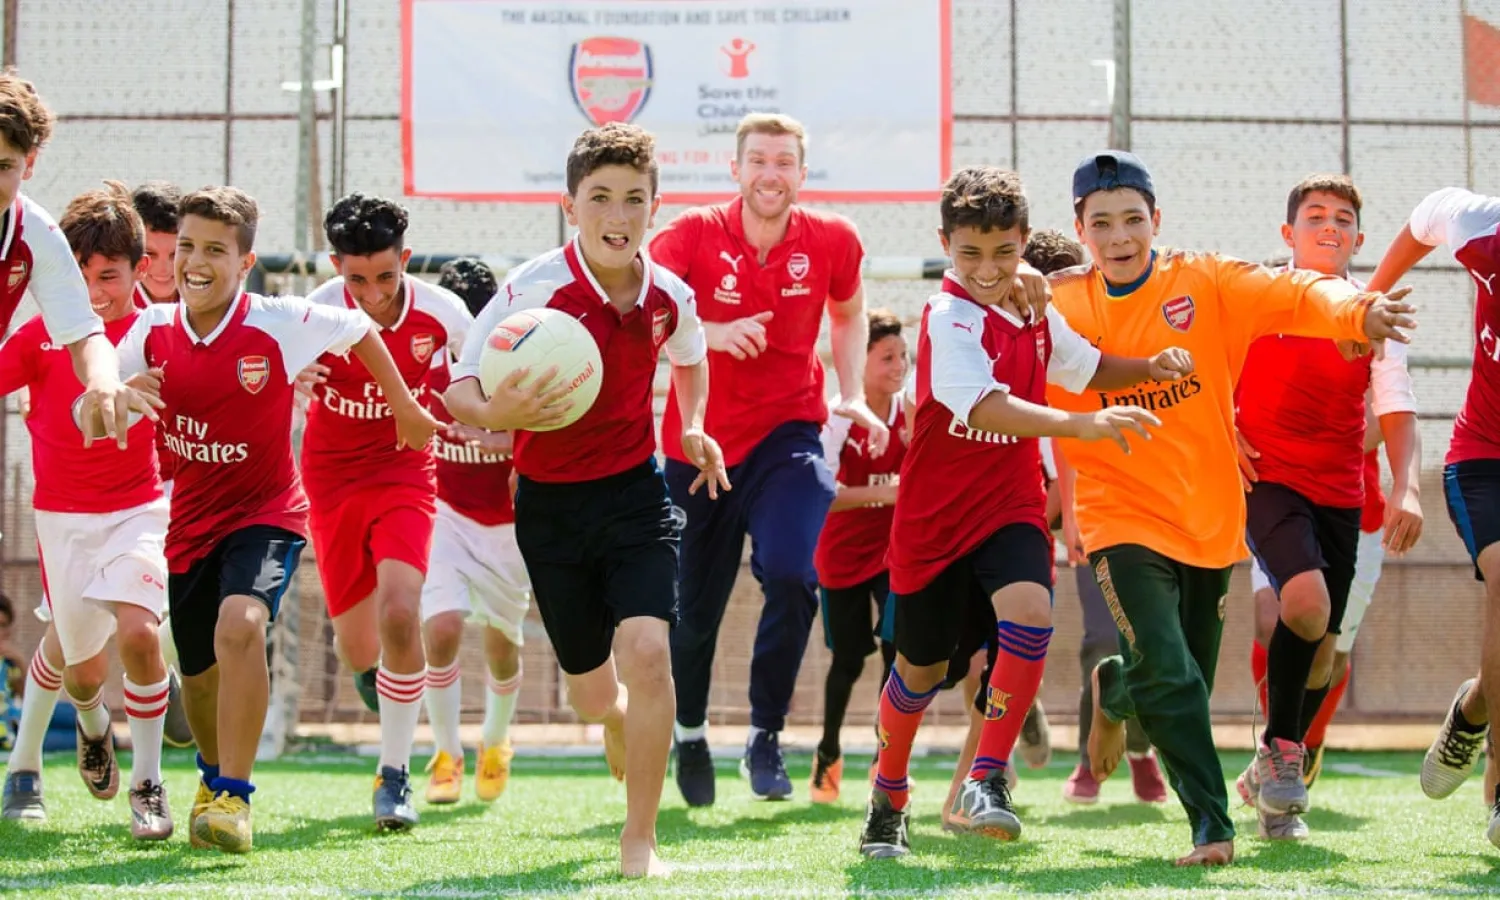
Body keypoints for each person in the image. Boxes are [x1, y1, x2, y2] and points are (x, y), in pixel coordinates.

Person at [1047, 150, 1416, 866]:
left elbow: (1302, 295)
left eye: (1132, 220)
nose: (1119, 236)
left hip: (1208, 520)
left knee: (1174, 666)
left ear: (1156, 221)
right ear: (1082, 230)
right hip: (1118, 511)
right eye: (1102, 224)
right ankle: (1212, 826)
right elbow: (999, 317)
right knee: (1174, 671)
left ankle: (1113, 692)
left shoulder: (1208, 281)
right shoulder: (1062, 302)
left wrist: (1362, 308)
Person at [78, 185, 438, 854]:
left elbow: (361, 330)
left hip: (268, 513)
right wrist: (112, 398)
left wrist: (406, 409)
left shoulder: (278, 320)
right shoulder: (154, 331)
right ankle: (213, 779)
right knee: (200, 672)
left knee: (242, 625)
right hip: (188, 524)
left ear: (244, 263)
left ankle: (236, 798)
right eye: (187, 246)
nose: (194, 261)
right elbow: (93, 403)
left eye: (215, 249)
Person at [857, 165, 1190, 859]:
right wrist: (1081, 428)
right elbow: (984, 406)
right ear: (944, 243)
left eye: (1004, 252)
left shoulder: (1036, 310)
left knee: (1033, 614)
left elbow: (1088, 366)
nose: (987, 268)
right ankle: (887, 800)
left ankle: (987, 780)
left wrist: (1150, 366)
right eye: (970, 253)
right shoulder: (945, 317)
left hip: (1008, 505)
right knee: (917, 673)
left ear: (1022, 244)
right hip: (934, 524)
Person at [444, 123, 725, 878]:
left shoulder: (669, 293)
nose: (619, 214)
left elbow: (692, 362)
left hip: (638, 495)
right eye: (600, 197)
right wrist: (503, 414)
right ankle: (614, 721)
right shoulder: (531, 289)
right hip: (549, 508)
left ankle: (640, 841)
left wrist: (693, 427)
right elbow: (460, 387)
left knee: (648, 651)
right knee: (593, 691)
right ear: (571, 207)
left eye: (635, 199)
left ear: (654, 208)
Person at [649, 113, 889, 804]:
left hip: (789, 436)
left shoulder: (833, 240)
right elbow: (647, 307)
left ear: (802, 174)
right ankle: (689, 735)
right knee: (694, 610)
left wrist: (850, 392)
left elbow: (848, 314)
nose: (770, 173)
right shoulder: (692, 235)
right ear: (736, 169)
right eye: (758, 160)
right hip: (698, 443)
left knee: (790, 573)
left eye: (784, 161)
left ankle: (765, 736)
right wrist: (711, 332)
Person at [1233, 175, 1421, 840]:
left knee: (1320, 651)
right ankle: (1287, 758)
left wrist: (1407, 486)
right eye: (1315, 216)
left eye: (1343, 218)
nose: (1329, 226)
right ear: (1289, 234)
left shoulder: (1375, 314)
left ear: (1360, 239)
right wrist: (1224, 426)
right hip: (1268, 481)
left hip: (1341, 493)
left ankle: (1267, 764)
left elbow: (1396, 406)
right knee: (1301, 604)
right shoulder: (1254, 295)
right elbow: (1206, 368)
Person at [0, 183, 175, 837]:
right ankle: (95, 725)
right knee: (82, 672)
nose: (96, 291)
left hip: (138, 509)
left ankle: (149, 786)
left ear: (139, 271)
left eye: (111, 275)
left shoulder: (160, 332)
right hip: (60, 520)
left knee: (137, 632)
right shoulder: (41, 336)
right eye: (81, 276)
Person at [302, 193, 472, 831]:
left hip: (405, 468)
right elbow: (269, 367)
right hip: (331, 476)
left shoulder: (443, 313)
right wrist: (295, 377)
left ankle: (394, 774)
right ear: (335, 266)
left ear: (405, 259)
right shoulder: (315, 311)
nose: (372, 293)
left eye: (385, 276)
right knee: (359, 649)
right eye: (356, 279)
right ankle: (381, 681)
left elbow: (472, 375)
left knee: (403, 611)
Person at [1362, 186, 1500, 846]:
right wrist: (1370, 303)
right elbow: (1425, 215)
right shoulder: (1482, 231)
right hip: (1483, 458)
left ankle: (1475, 708)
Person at [1026, 228, 1168, 806]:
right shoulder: (998, 347)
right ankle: (1076, 750)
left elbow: (1076, 449)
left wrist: (1066, 511)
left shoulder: (1091, 353)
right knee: (1091, 640)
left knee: (1131, 641)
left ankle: (1136, 751)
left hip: (1121, 507)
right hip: (1055, 514)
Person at [421, 257, 529, 805]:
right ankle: (446, 753)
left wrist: (503, 442)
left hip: (509, 528)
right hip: (446, 515)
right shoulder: (425, 363)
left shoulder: (523, 361)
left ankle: (495, 739)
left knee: (502, 648)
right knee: (440, 629)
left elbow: (556, 432)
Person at [809, 308, 909, 805]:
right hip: (842, 555)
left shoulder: (911, 415)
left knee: (898, 651)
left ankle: (884, 758)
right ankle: (827, 751)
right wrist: (888, 494)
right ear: (860, 361)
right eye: (887, 357)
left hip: (893, 554)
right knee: (848, 660)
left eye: (903, 356)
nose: (899, 366)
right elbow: (824, 489)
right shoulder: (837, 416)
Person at [132, 180, 182, 304]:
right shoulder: (110, 304)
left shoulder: (213, 303)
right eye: (150, 254)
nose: (164, 269)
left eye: (175, 254)